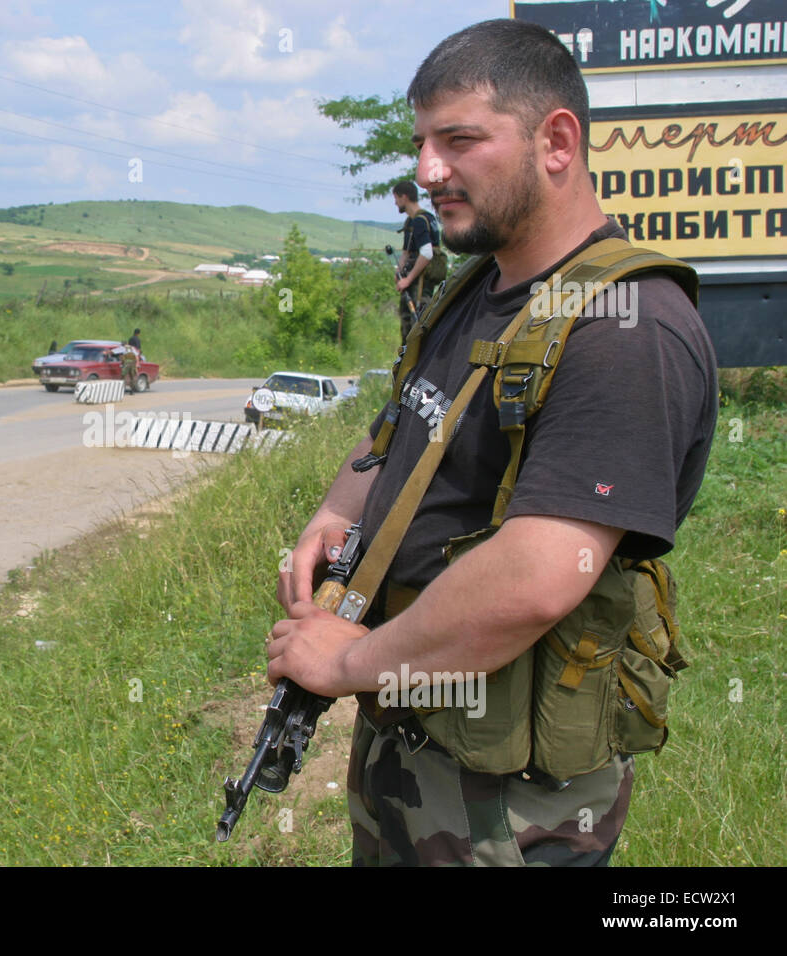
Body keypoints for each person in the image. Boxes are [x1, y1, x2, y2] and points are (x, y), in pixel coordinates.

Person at [267, 18, 717, 866]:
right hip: (414, 744)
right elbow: (404, 431)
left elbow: (541, 578)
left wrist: (354, 658)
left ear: (557, 141)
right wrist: (338, 508)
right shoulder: (481, 289)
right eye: (421, 143)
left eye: (461, 140)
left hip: (510, 803)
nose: (428, 171)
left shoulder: (627, 329)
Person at [393, 181, 446, 345]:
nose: (395, 203)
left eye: (396, 198)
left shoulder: (419, 221)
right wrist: (399, 272)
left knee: (414, 327)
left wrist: (408, 279)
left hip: (420, 286)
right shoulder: (418, 220)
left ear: (404, 197)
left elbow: (426, 253)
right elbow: (406, 252)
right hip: (413, 283)